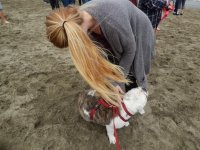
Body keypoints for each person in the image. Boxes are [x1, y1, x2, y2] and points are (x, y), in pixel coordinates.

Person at [45, 0, 155, 106]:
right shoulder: (77, 19)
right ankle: (120, 96)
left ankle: (130, 104)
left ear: (77, 31)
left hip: (139, 32)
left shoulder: (111, 21)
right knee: (114, 67)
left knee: (130, 71)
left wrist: (117, 81)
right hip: (120, 33)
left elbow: (130, 50)